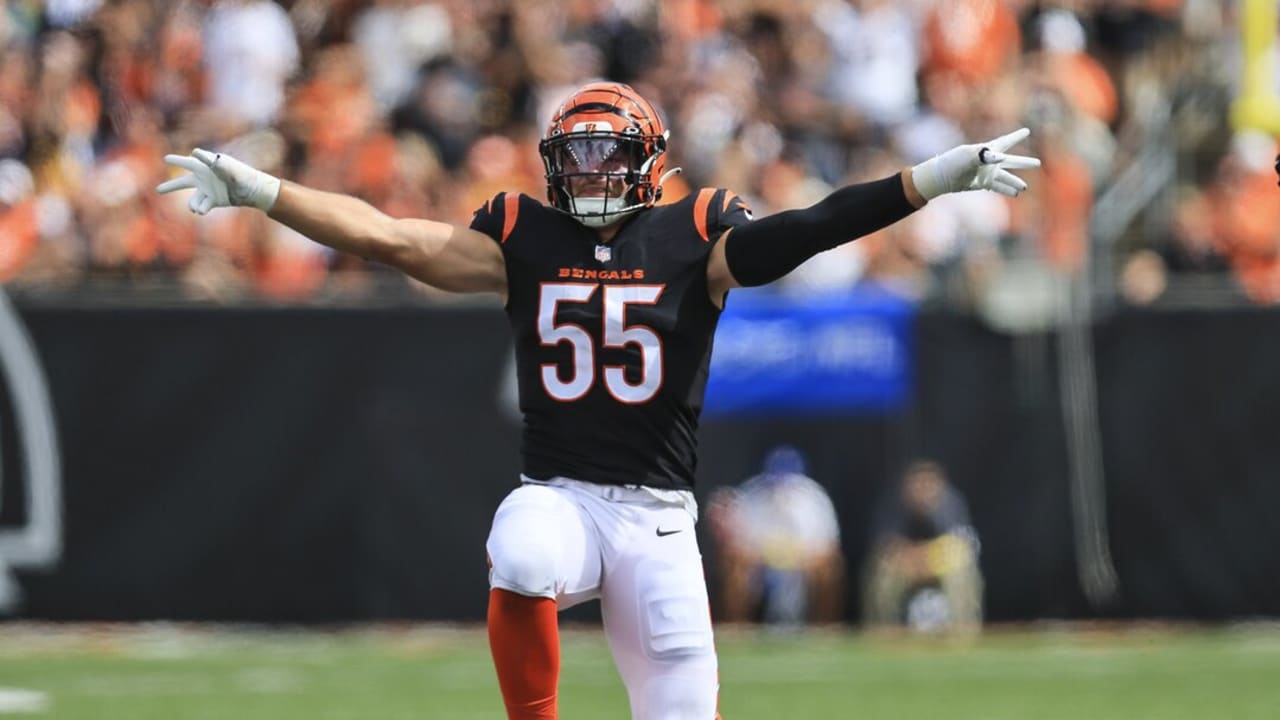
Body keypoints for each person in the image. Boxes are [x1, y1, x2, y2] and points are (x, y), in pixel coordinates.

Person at [157, 81, 1038, 719]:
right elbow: (392, 238)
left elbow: (803, 231)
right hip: (564, 497)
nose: (585, 171)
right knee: (523, 546)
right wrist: (261, 192)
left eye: (603, 153)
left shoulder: (697, 233)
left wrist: (925, 180)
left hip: (658, 520)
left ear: (651, 163)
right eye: (571, 155)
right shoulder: (521, 234)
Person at [706, 445, 844, 626]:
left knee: (830, 566)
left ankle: (825, 627)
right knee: (735, 564)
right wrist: (766, 555)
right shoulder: (752, 493)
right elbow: (740, 544)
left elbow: (826, 546)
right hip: (761, 562)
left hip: (801, 561)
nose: (781, 489)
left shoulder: (814, 497)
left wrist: (793, 556)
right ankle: (738, 627)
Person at [862, 460, 983, 634]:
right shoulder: (893, 504)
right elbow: (886, 547)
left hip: (941, 565)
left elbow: (959, 547)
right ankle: (883, 634)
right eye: (918, 483)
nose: (923, 488)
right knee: (882, 575)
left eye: (929, 482)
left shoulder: (951, 503)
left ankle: (964, 634)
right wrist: (913, 561)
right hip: (904, 566)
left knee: (962, 575)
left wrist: (927, 560)